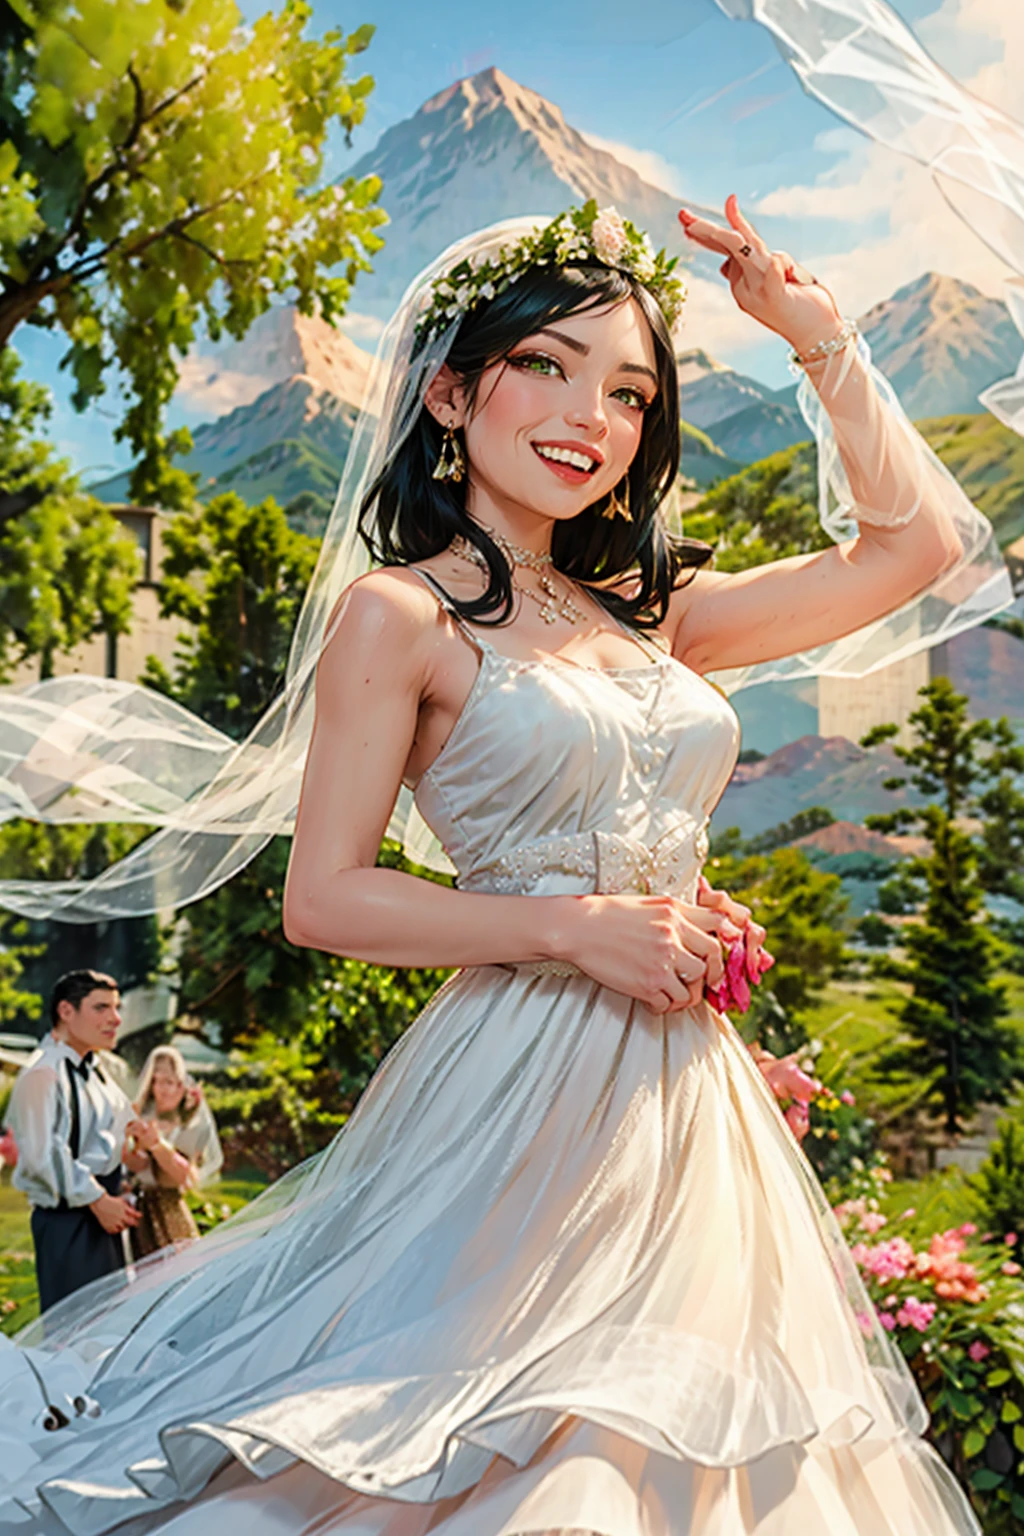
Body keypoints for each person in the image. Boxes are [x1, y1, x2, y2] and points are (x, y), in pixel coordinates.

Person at [0, 199, 995, 1534]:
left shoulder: (657, 616)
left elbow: (917, 550)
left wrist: (819, 339)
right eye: (550, 365)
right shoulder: (399, 615)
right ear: (455, 393)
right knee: (523, 1449)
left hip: (691, 1106)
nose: (594, 411)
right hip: (517, 1098)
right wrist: (580, 926)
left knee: (709, 1464)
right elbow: (324, 896)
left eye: (631, 391)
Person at [5, 970, 140, 1314]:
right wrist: (97, 1201)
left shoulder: (98, 1071)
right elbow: (41, 1155)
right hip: (70, 1220)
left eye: (116, 1007)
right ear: (66, 1011)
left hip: (105, 1213)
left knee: (110, 1329)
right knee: (75, 1336)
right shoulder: (42, 1074)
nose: (116, 1018)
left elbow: (119, 1133)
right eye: (101, 1008)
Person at [126, 1046, 223, 1257]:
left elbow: (182, 1176)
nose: (161, 1089)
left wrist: (156, 1145)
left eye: (168, 1082)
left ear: (181, 1086)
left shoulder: (190, 1125)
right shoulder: (141, 1117)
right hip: (141, 1213)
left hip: (171, 1211)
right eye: (155, 1081)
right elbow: (135, 1164)